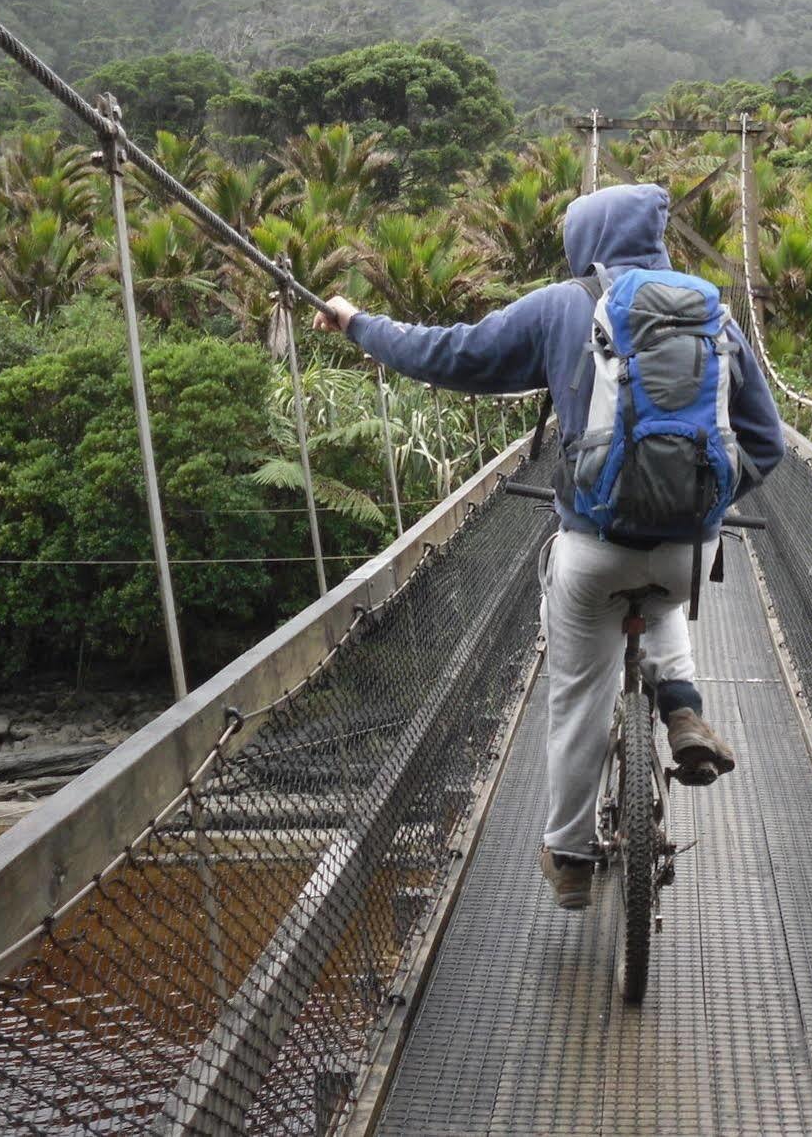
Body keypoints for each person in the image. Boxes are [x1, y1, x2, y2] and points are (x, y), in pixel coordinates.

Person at [314, 182, 785, 910]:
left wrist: (357, 323)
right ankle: (682, 706)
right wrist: (711, 500)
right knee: (660, 587)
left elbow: (449, 354)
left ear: (583, 239)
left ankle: (568, 857)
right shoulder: (712, 314)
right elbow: (766, 442)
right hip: (689, 550)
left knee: (577, 694)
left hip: (592, 548)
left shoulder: (562, 306)